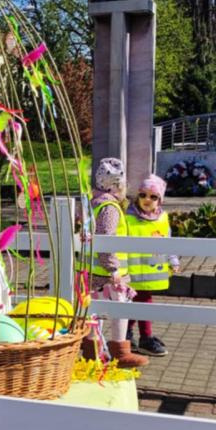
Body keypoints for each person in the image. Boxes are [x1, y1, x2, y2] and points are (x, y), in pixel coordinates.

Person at [87, 157, 148, 369]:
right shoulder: (110, 208)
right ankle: (120, 352)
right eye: (123, 185)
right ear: (115, 186)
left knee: (93, 310)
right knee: (120, 309)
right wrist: (113, 268)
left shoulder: (92, 204)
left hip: (92, 270)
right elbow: (105, 238)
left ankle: (91, 351)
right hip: (108, 272)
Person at [124, 175, 178, 358]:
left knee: (139, 302)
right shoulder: (128, 217)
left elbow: (168, 242)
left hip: (151, 272)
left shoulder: (162, 218)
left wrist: (173, 260)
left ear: (160, 199)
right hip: (131, 271)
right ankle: (144, 338)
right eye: (143, 195)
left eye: (153, 196)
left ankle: (129, 335)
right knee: (140, 302)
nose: (147, 199)